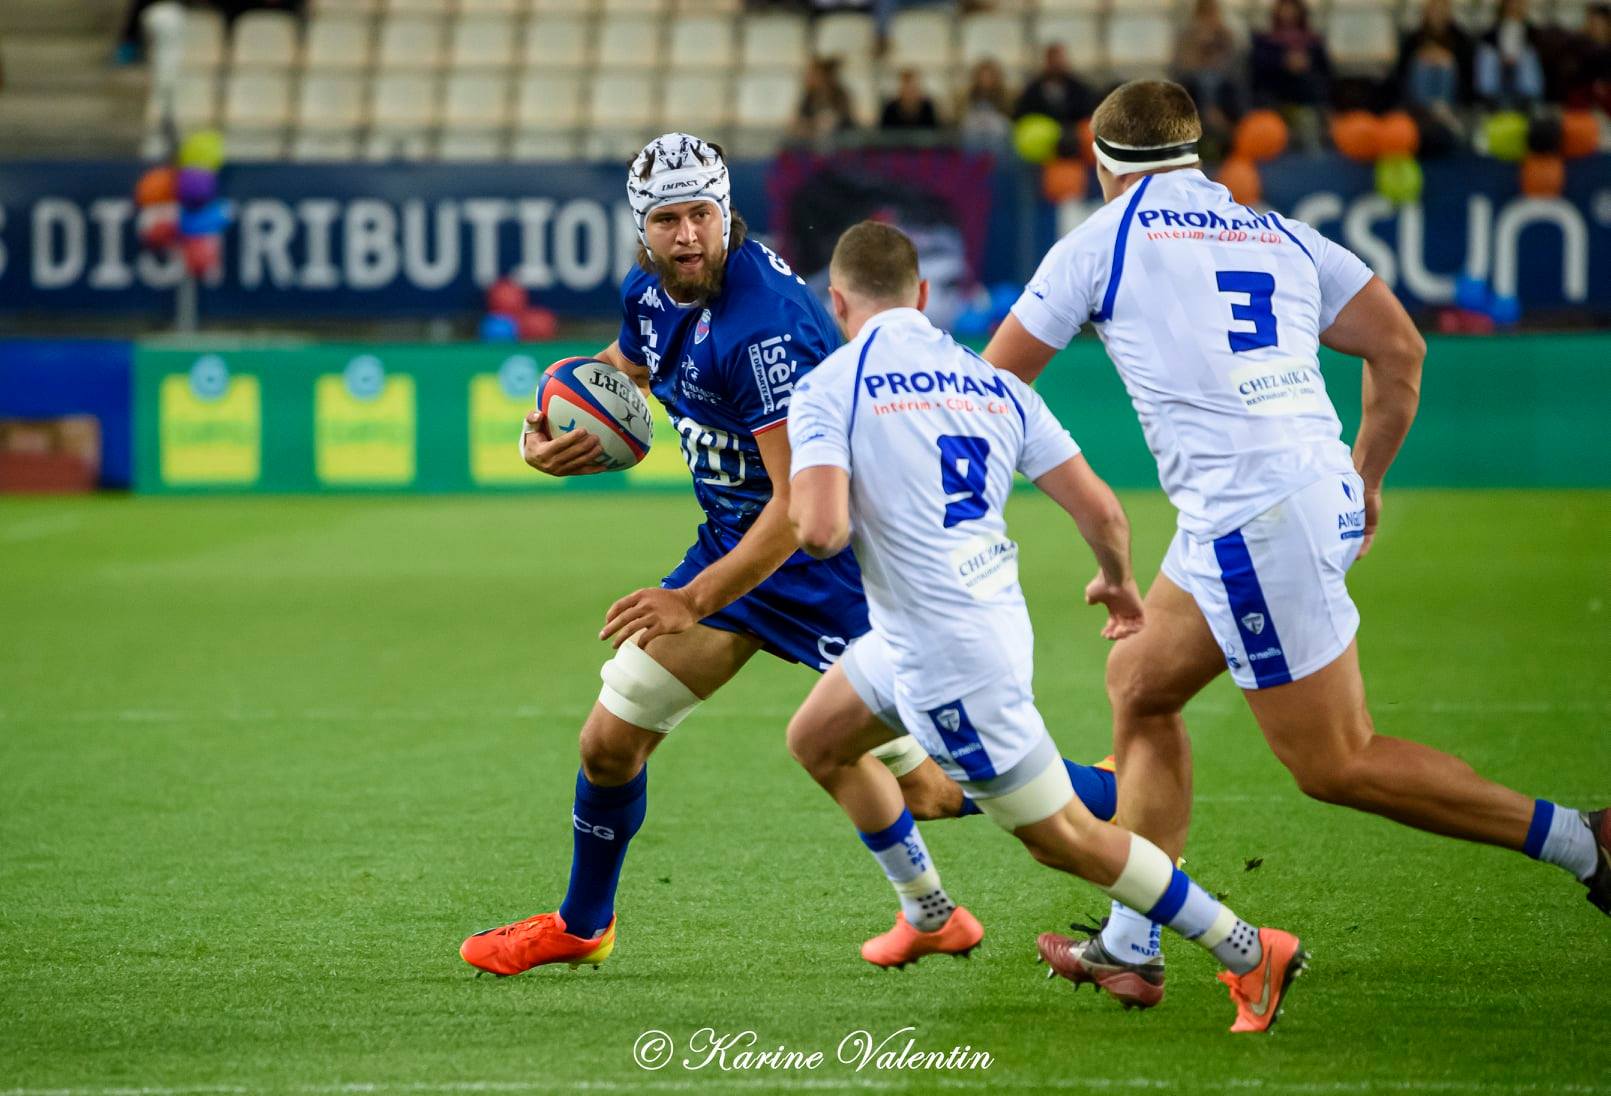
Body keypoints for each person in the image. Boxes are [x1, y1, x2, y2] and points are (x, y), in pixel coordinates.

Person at [978, 79, 1611, 1005]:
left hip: (1252, 517)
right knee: (1140, 687)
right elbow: (1400, 350)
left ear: (1101, 160)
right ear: (1194, 151)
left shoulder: (1097, 242)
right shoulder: (1276, 233)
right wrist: (1367, 477)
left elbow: (991, 390)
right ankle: (1131, 943)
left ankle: (1585, 842)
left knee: (1333, 761)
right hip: (1279, 500)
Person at [458, 133, 1118, 978]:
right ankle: (582, 925)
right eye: (667, 220)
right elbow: (621, 370)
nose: (687, 236)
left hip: (829, 562)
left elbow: (794, 507)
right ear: (641, 229)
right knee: (608, 743)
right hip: (734, 550)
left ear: (726, 212)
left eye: (702, 215)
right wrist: (545, 432)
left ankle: (1116, 787)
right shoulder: (649, 290)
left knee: (933, 788)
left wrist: (691, 600)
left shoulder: (763, 327)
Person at [784, 220, 1308, 1034]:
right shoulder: (994, 385)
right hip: (964, 624)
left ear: (836, 301)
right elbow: (1101, 509)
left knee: (1063, 838)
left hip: (946, 659)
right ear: (922, 295)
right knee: (819, 737)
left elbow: (819, 532)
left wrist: (822, 503)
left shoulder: (827, 387)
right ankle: (929, 915)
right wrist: (1117, 583)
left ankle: (1246, 948)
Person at [1250, 0, 1330, 110]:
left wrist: (1305, 62)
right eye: (1285, 9)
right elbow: (1258, 68)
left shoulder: (1313, 42)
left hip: (1307, 93)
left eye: (1292, 9)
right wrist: (1283, 61)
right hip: (1275, 92)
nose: (1288, 14)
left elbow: (1325, 71)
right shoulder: (1265, 41)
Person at [1473, 0, 1544, 107]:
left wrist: (1515, 57)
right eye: (1511, 4)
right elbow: (1489, 48)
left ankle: (1529, 99)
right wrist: (1503, 57)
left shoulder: (1532, 32)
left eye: (1517, 4)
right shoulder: (1491, 32)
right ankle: (1487, 98)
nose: (1513, 7)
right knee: (1487, 54)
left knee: (1528, 56)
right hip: (1498, 69)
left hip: (1521, 72)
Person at [1015, 43, 1095, 125]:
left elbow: (1088, 116)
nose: (1056, 64)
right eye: (1052, 60)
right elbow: (1022, 117)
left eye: (1059, 59)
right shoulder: (1032, 92)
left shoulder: (1080, 91)